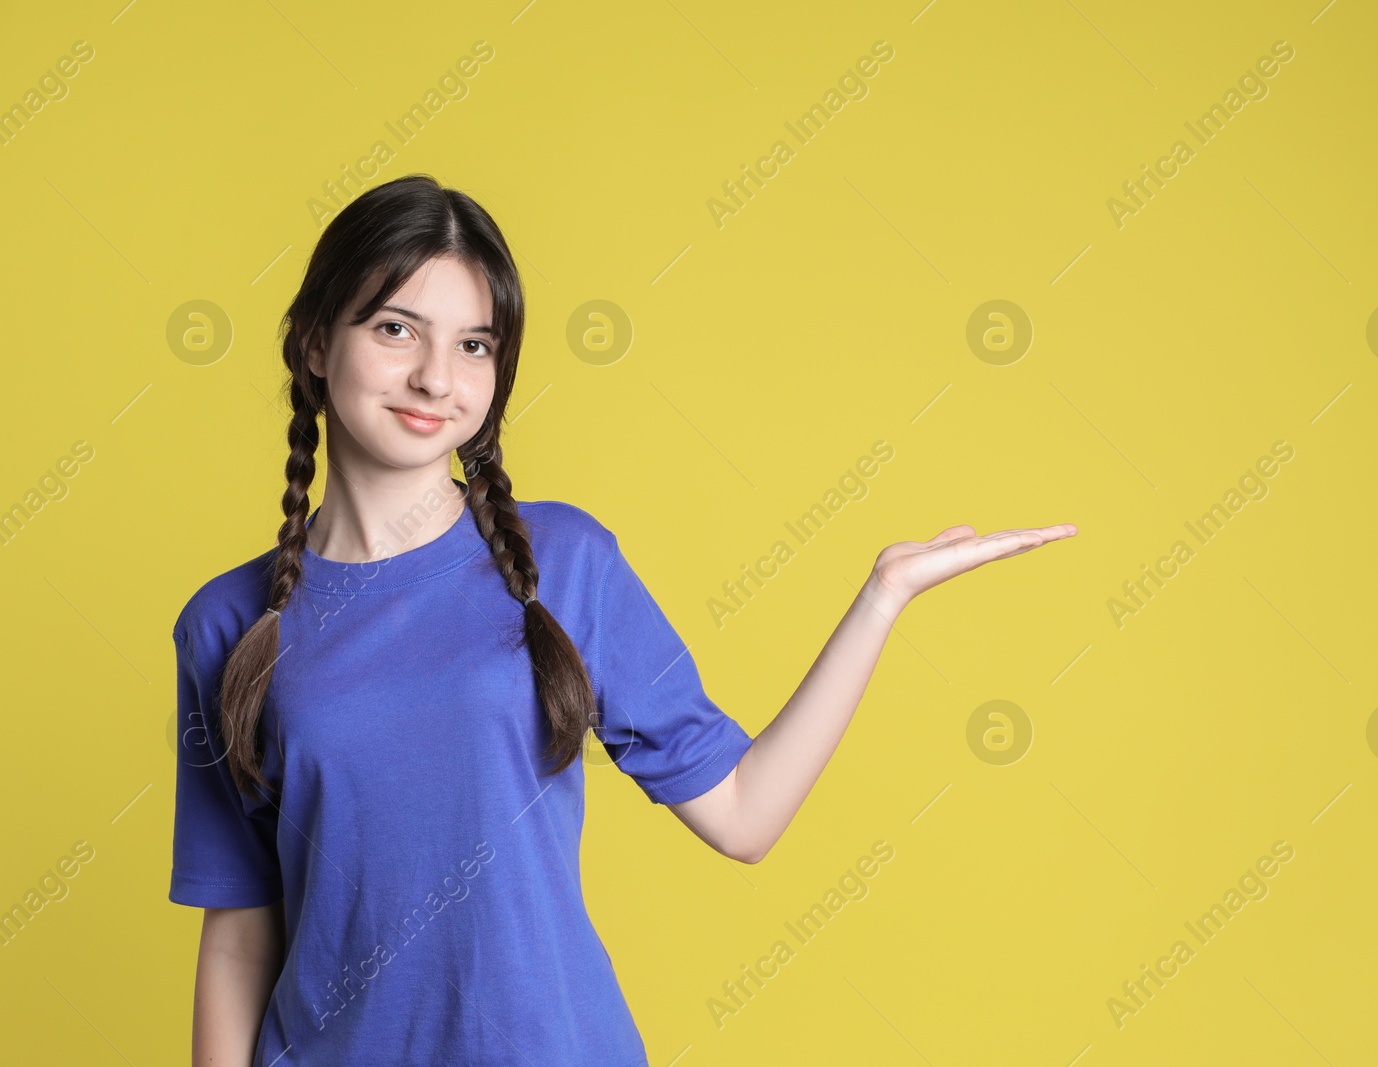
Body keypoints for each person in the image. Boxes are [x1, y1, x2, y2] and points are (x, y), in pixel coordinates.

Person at [169, 173, 1076, 1066]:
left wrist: (881, 598)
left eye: (475, 345)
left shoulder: (564, 561)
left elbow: (744, 815)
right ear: (317, 343)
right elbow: (242, 931)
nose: (436, 377)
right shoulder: (227, 623)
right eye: (396, 328)